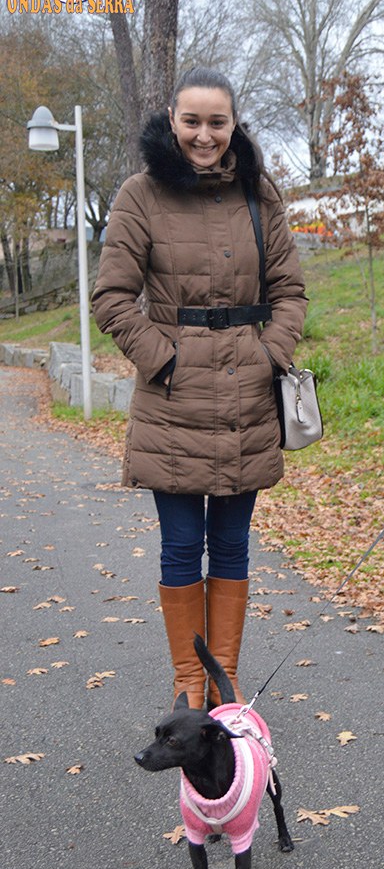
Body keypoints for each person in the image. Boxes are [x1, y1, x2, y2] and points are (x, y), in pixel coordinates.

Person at [93, 66, 307, 709]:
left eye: (218, 122)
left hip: (247, 394)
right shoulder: (141, 193)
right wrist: (165, 361)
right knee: (182, 545)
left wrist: (271, 355)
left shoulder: (258, 193)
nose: (205, 135)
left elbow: (290, 292)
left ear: (233, 123)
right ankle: (191, 682)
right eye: (193, 121)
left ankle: (226, 678)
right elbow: (111, 297)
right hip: (172, 402)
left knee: (234, 543)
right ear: (172, 118)